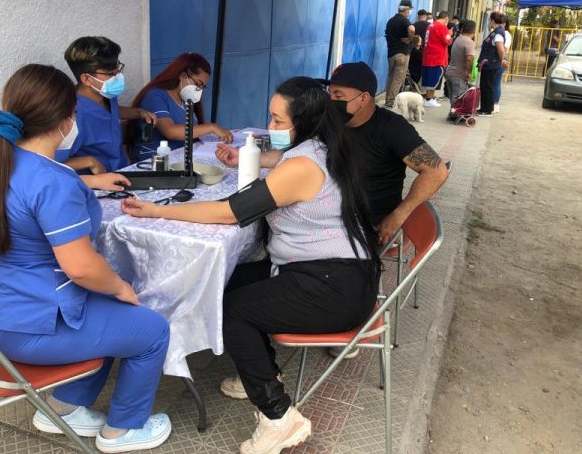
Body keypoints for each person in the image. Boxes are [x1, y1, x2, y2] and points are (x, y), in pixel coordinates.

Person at [121, 77, 382, 454]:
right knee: (226, 282)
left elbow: (230, 214)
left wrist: (156, 210)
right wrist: (254, 158)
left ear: (304, 121)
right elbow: (281, 163)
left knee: (233, 310)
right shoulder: (323, 146)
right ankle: (263, 371)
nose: (270, 128)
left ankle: (278, 418)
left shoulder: (304, 164)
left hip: (334, 286)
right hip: (330, 270)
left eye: (278, 121)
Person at [0, 64, 171, 454]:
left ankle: (63, 407)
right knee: (149, 330)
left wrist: (90, 181)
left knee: (110, 310)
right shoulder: (53, 182)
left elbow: (38, 191)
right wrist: (121, 286)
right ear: (67, 120)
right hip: (29, 328)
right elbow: (80, 267)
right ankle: (123, 431)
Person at [215, 62, 449, 246]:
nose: (331, 102)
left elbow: (436, 171)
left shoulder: (392, 128)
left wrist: (399, 215)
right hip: (323, 214)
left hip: (363, 224)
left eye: (339, 96)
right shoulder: (332, 123)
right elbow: (296, 158)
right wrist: (246, 157)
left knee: (253, 217)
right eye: (329, 95)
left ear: (364, 99)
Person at [57, 37, 157, 186]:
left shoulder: (105, 95)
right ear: (86, 79)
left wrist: (138, 112)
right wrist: (90, 162)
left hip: (121, 175)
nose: (118, 77)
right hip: (93, 188)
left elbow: (109, 114)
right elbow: (51, 164)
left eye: (119, 69)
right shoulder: (72, 115)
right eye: (112, 74)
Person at [128, 52, 232, 162]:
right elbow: (170, 131)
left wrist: (214, 131)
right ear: (183, 76)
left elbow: (193, 128)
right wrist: (211, 127)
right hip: (152, 162)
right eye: (197, 84)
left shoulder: (186, 99)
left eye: (202, 86)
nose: (199, 90)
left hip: (180, 159)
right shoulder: (155, 96)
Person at [384, 0, 416, 109]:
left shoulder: (391, 20)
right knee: (398, 79)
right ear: (406, 9)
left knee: (391, 77)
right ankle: (391, 102)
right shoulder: (404, 20)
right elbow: (412, 29)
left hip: (391, 53)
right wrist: (410, 38)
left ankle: (388, 99)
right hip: (402, 53)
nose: (410, 12)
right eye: (410, 10)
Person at [477, 12, 507, 116]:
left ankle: (487, 110)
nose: (489, 22)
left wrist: (500, 60)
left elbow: (501, 50)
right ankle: (484, 108)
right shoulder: (496, 32)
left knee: (487, 87)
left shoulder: (498, 34)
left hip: (491, 64)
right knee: (485, 86)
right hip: (489, 64)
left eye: (490, 20)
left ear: (493, 20)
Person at [421, 11, 452, 108]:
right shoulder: (442, 27)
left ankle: (430, 97)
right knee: (434, 79)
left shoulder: (430, 26)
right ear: (446, 18)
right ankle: (429, 99)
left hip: (429, 55)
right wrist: (450, 34)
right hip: (436, 57)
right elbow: (447, 41)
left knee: (429, 79)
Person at [445, 19, 477, 113]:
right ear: (474, 31)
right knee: (459, 97)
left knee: (453, 97)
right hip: (458, 74)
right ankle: (457, 115)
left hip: (450, 72)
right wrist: (469, 72)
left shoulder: (458, 38)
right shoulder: (469, 42)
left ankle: (453, 114)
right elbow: (469, 58)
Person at [493, 14, 512, 114]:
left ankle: (495, 104)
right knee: (494, 83)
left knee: (496, 83)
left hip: (500, 60)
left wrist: (502, 60)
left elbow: (503, 50)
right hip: (498, 60)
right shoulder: (499, 32)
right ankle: (493, 103)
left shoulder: (505, 34)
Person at [408, 9, 430, 87]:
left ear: (418, 16)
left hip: (413, 50)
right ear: (425, 16)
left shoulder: (413, 25)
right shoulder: (429, 26)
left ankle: (413, 84)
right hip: (425, 51)